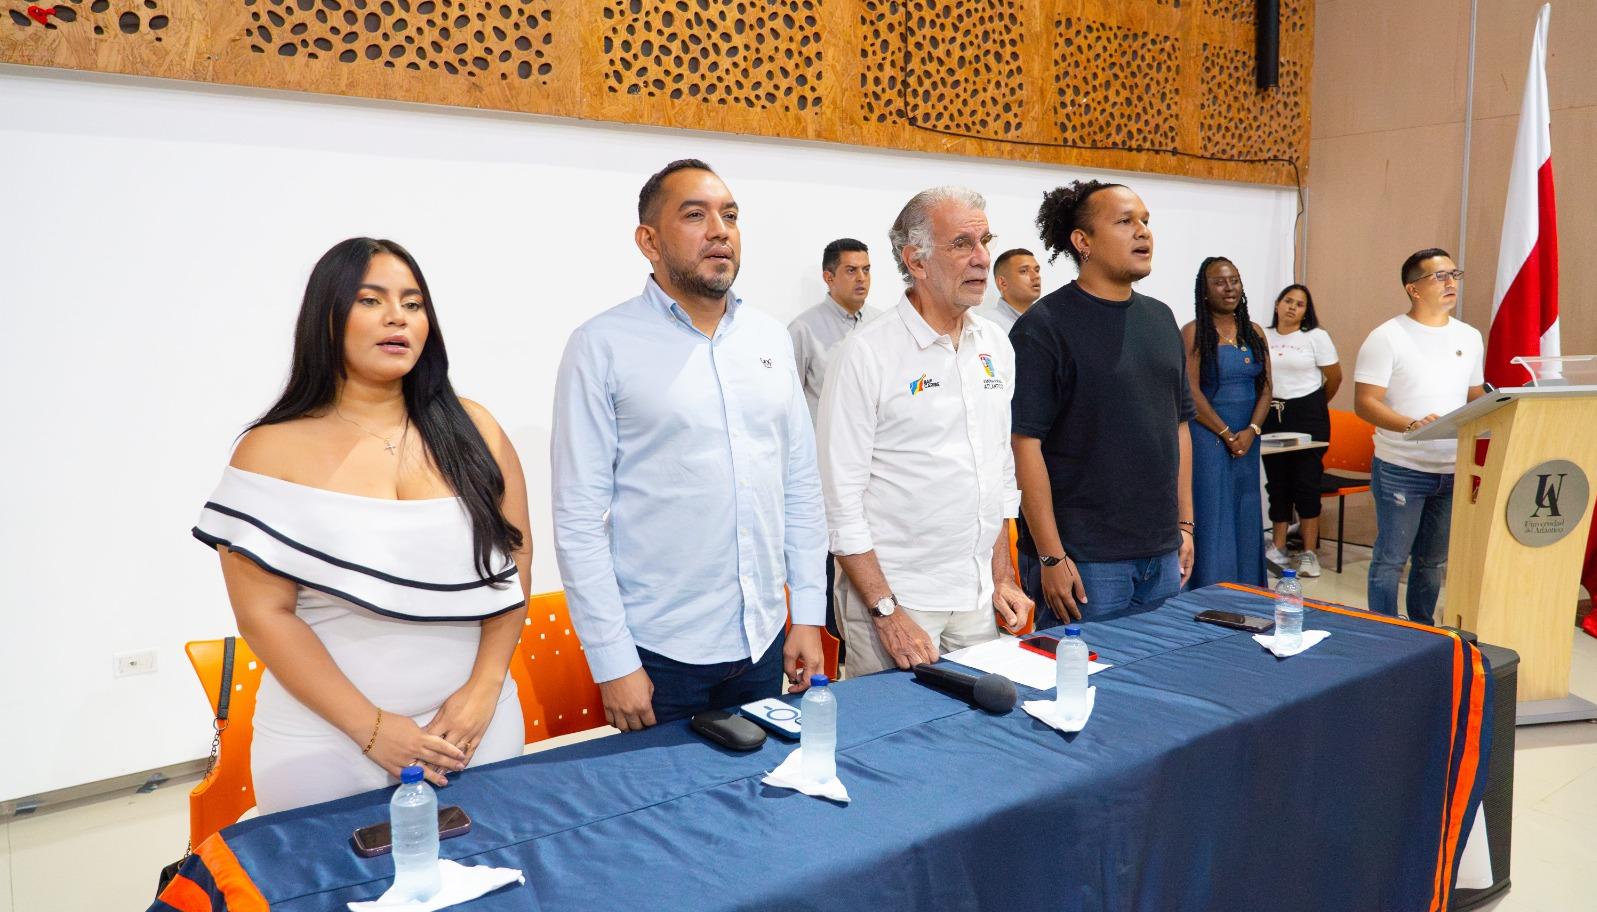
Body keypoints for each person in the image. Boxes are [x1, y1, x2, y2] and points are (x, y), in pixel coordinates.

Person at [193, 238, 531, 814]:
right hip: (326, 742)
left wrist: (484, 690)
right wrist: (372, 728)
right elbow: (263, 614)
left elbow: (513, 564)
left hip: (475, 729)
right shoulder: (268, 450)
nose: (397, 316)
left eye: (413, 302)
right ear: (327, 320)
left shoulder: (476, 429)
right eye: (371, 300)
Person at [552, 159, 826, 729]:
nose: (719, 230)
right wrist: (612, 662)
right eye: (695, 215)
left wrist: (807, 613)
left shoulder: (770, 338)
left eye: (729, 215)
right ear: (648, 241)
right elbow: (578, 517)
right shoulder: (602, 345)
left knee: (761, 806)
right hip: (659, 657)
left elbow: (799, 485)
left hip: (763, 642)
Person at [819, 186, 1033, 674]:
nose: (982, 259)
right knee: (892, 744)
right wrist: (886, 612)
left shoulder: (996, 345)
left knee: (976, 741)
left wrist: (1001, 577)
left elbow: (997, 471)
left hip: (978, 598)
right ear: (915, 260)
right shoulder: (865, 353)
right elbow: (840, 500)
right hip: (898, 600)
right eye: (962, 244)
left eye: (985, 241)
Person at [1010, 180, 1195, 627]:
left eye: (1146, 222)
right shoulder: (1044, 327)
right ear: (1082, 241)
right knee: (1080, 689)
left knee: (1153, 686)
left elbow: (1179, 427)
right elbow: (1024, 445)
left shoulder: (1161, 317)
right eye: (1125, 221)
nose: (1143, 232)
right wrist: (1052, 557)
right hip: (1084, 560)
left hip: (1161, 552)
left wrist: (1184, 526)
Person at [1354, 248, 1484, 624]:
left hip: (1450, 467)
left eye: (1453, 275)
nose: (1450, 283)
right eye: (1439, 276)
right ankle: (1385, 634)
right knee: (1391, 558)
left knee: (1432, 561)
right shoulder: (1387, 337)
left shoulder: (1470, 336)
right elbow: (1365, 403)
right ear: (1413, 289)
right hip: (1402, 466)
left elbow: (1473, 395)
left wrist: (1503, 402)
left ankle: (1422, 632)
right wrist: (1412, 425)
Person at [788, 238, 876, 662]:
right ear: (828, 277)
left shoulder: (880, 325)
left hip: (875, 475)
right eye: (851, 270)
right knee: (830, 568)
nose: (862, 279)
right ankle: (834, 654)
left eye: (866, 269)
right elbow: (787, 403)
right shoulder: (804, 329)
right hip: (825, 477)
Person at [1182, 257, 1272, 589]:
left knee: (1246, 512)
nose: (1229, 287)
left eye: (1234, 280)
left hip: (1248, 438)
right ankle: (1209, 593)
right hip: (1208, 436)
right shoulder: (1193, 333)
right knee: (1213, 514)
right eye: (1220, 282)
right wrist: (1225, 433)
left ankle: (1248, 590)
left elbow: (1266, 388)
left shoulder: (1255, 332)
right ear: (1204, 292)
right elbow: (1190, 392)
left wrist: (1251, 431)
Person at [1262, 283, 1341, 577]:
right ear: (1278, 304)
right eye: (1288, 300)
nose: (1293, 307)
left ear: (1306, 312)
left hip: (1308, 416)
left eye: (1300, 304)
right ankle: (1279, 547)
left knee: (1307, 485)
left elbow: (1334, 377)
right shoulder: (1262, 335)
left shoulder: (1316, 337)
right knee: (1278, 485)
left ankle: (1309, 553)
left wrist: (1314, 405)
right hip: (1272, 415)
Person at [978, 247, 1042, 332]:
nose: (1036, 276)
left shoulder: (1048, 321)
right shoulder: (986, 325)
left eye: (1037, 270)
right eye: (1024, 271)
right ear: (1002, 283)